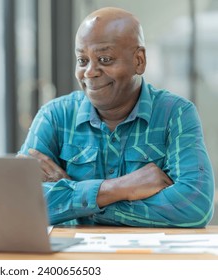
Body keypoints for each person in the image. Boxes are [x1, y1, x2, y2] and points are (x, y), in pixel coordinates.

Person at [18, 7, 215, 227]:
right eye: (82, 60)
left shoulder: (175, 114)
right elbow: (18, 202)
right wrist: (120, 188)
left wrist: (80, 202)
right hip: (73, 258)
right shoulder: (54, 116)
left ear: (139, 61)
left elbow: (195, 206)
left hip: (148, 259)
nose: (90, 72)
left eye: (104, 59)